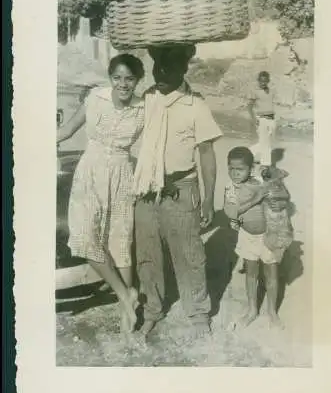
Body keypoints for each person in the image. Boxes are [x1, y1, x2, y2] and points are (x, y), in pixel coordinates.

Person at [133, 44, 223, 340]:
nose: (160, 73)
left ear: (184, 69)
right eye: (157, 66)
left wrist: (209, 199)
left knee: (189, 253)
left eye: (168, 67)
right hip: (147, 187)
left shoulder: (195, 104)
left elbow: (207, 154)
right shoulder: (147, 98)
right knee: (147, 254)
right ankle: (152, 311)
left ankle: (198, 313)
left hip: (181, 189)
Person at [57, 53, 145, 334]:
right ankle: (125, 293)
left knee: (120, 237)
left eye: (129, 79)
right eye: (117, 77)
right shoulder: (95, 99)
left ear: (137, 80)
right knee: (84, 237)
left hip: (122, 173)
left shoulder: (143, 108)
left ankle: (126, 308)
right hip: (90, 171)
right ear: (110, 78)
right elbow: (67, 130)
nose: (123, 84)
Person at [223, 146, 285, 329]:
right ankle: (252, 309)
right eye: (231, 169)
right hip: (247, 236)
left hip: (269, 235)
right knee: (251, 272)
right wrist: (254, 201)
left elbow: (280, 200)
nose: (234, 173)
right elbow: (230, 211)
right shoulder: (230, 188)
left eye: (239, 169)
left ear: (250, 169)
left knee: (271, 272)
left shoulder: (260, 182)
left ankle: (272, 311)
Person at [248, 71, 276, 170]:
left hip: (271, 119)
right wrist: (254, 119)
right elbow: (249, 106)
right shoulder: (255, 91)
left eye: (265, 81)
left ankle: (248, 152)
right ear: (258, 81)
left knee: (266, 142)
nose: (263, 83)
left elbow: (271, 105)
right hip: (261, 119)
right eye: (261, 81)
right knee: (265, 143)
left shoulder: (271, 91)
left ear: (268, 81)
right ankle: (265, 164)